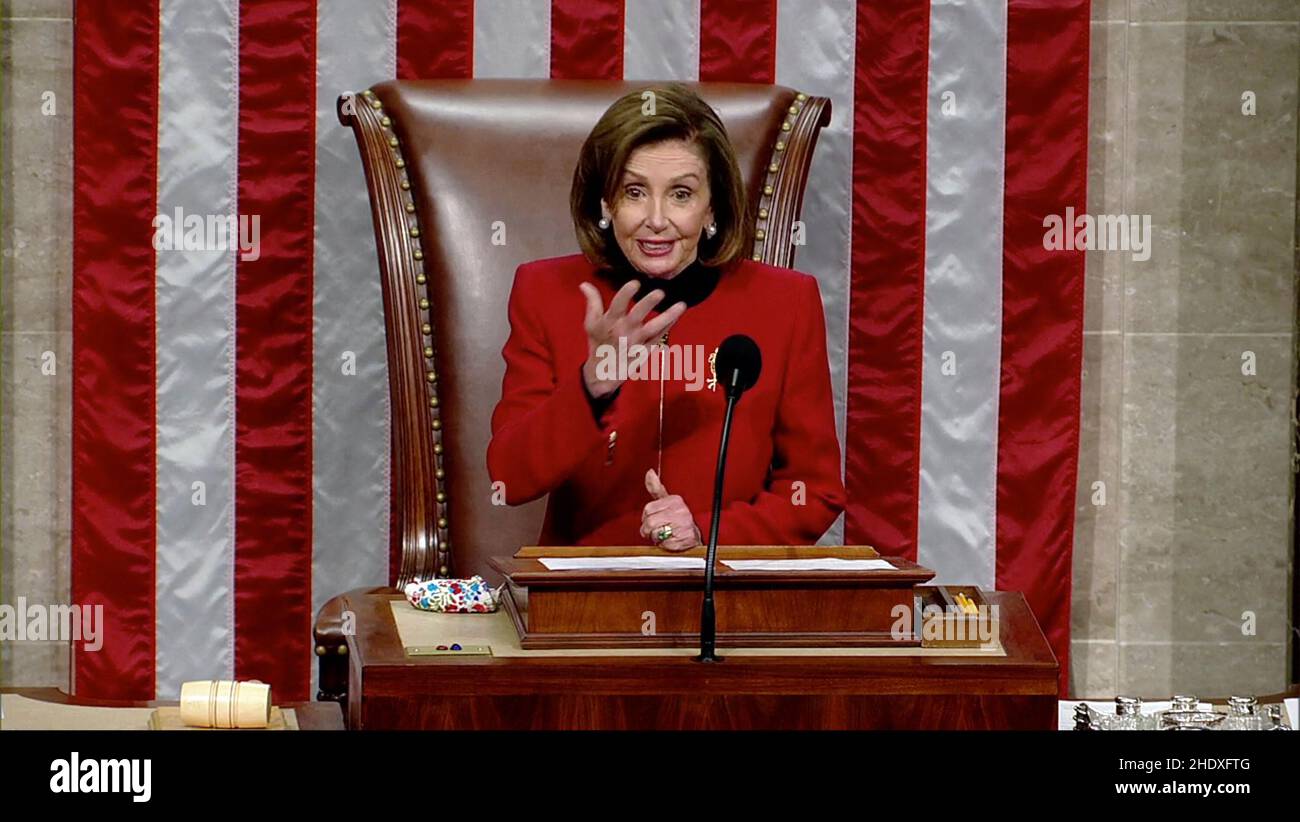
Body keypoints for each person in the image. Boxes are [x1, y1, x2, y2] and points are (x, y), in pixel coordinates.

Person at [486, 83, 844, 552]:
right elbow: (508, 480)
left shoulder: (786, 302)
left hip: (727, 594)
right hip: (585, 604)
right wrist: (591, 385)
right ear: (605, 203)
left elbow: (814, 491)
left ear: (712, 207)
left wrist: (707, 531)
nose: (657, 219)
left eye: (681, 194)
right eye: (634, 192)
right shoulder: (545, 293)